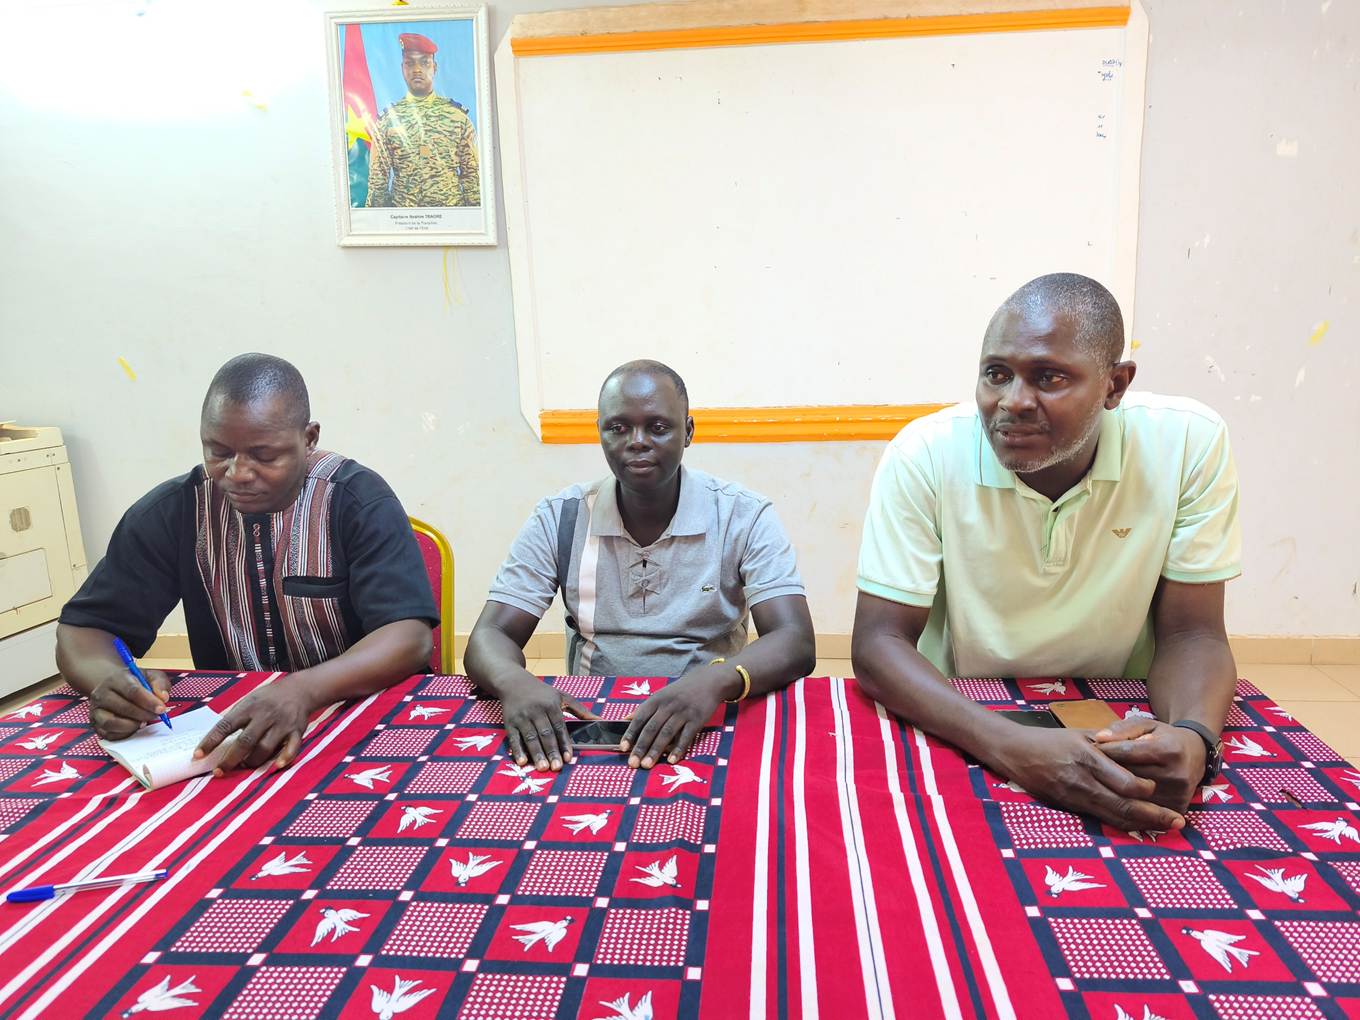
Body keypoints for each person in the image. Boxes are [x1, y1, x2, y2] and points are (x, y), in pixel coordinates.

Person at [852, 273, 1241, 832]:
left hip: (1122, 718)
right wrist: (1010, 745)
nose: (1012, 402)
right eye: (996, 374)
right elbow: (879, 642)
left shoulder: (1188, 444)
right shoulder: (926, 455)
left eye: (1049, 377)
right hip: (961, 713)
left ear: (1114, 386)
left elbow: (1194, 634)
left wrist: (1193, 736)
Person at [56, 354, 437, 772]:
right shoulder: (175, 513)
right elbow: (84, 630)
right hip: (234, 735)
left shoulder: (356, 501)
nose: (237, 473)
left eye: (264, 455)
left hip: (367, 723)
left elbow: (409, 638)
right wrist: (112, 683)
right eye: (218, 452)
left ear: (309, 439)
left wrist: (302, 690)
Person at [466, 360, 816, 773]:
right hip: (593, 721)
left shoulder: (743, 515)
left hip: (707, 711)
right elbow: (491, 634)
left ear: (688, 432)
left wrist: (714, 680)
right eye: (618, 428)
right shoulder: (560, 517)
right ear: (600, 433)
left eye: (658, 427)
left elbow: (794, 639)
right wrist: (515, 682)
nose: (637, 442)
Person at [366, 32, 480, 208]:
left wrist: (475, 219)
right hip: (405, 219)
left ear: (435, 68)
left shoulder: (457, 118)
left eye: (425, 62)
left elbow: (473, 177)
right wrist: (379, 222)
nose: (417, 69)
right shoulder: (388, 121)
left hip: (450, 218)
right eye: (410, 63)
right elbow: (377, 184)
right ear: (402, 68)